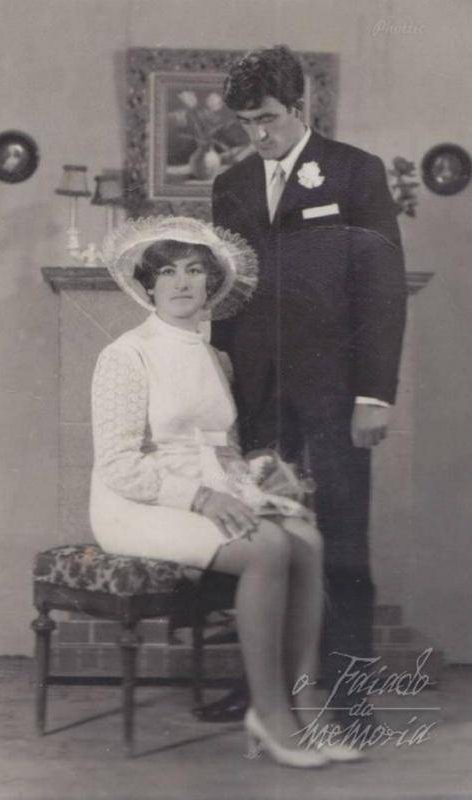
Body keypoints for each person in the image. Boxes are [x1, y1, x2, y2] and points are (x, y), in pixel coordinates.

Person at [89, 215, 361, 767]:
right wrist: (203, 499)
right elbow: (118, 465)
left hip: (206, 494)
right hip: (137, 505)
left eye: (194, 270)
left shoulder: (217, 358)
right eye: (167, 272)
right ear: (148, 285)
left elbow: (224, 450)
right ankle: (269, 712)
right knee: (268, 548)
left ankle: (306, 701)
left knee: (307, 538)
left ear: (211, 283)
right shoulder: (126, 355)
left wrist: (260, 472)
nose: (182, 282)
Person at [201, 45, 407, 730]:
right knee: (263, 541)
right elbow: (226, 292)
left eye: (266, 119)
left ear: (298, 106)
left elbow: (381, 291)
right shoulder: (230, 184)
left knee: (341, 544)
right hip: (256, 394)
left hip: (336, 392)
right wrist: (221, 378)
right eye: (245, 123)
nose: (257, 135)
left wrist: (374, 394)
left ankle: (349, 701)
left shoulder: (353, 172)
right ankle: (262, 689)